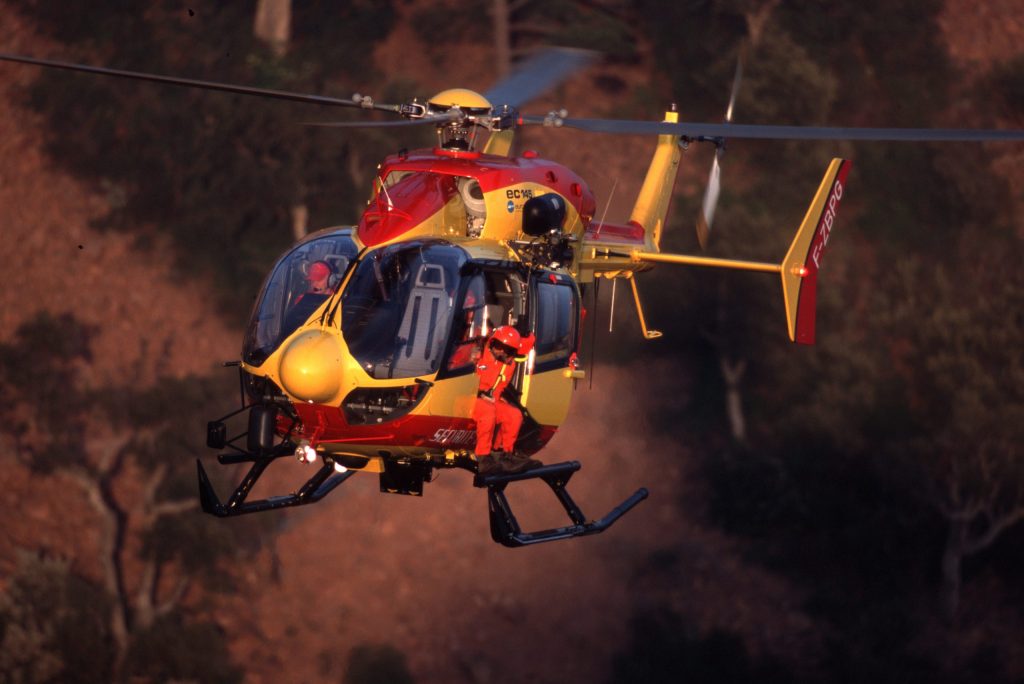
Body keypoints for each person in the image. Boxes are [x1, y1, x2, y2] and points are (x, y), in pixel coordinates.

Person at [473, 325, 542, 476]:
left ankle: (504, 455)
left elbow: (499, 388)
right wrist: (480, 394)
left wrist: (527, 335)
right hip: (471, 399)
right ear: (492, 342)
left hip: (491, 400)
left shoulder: (508, 365)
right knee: (488, 412)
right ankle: (483, 458)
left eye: (507, 349)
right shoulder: (478, 354)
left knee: (514, 415)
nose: (501, 351)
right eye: (498, 346)